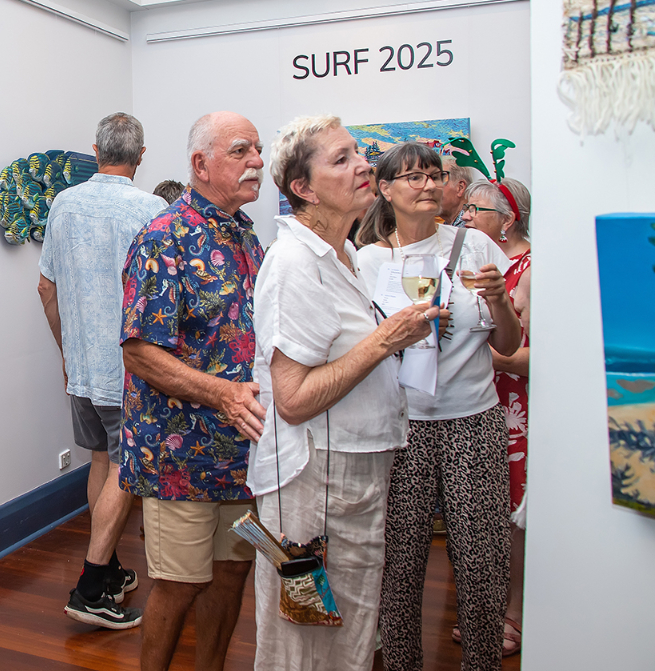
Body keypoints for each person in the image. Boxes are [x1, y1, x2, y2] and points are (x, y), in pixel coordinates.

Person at [250, 115, 436, 671]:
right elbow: (293, 399)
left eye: (358, 153)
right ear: (303, 189)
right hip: (314, 482)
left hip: (349, 473)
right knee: (304, 640)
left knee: (347, 635)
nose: (363, 165)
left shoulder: (343, 254)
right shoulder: (294, 263)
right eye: (341, 159)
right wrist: (386, 339)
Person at [356, 143, 522, 671]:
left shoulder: (475, 246)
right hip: (400, 426)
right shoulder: (367, 261)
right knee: (399, 562)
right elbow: (359, 350)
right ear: (385, 189)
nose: (428, 185)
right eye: (414, 177)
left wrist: (498, 300)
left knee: (482, 560)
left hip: (474, 420)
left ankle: (482, 662)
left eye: (434, 175)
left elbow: (508, 343)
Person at [118, 111, 267, 671]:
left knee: (232, 574)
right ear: (201, 164)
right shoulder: (164, 238)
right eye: (241, 150)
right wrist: (223, 394)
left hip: (240, 451)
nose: (257, 161)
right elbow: (139, 351)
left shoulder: (246, 235)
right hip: (180, 455)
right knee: (179, 585)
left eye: (257, 150)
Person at [38, 113, 165, 629]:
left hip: (82, 365)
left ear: (95, 151)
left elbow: (45, 287)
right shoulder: (152, 210)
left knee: (99, 459)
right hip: (129, 367)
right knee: (123, 468)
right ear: (140, 157)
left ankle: (109, 567)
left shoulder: (63, 204)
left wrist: (66, 352)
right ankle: (91, 586)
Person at [461, 177, 532, 657]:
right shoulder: (470, 263)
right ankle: (484, 610)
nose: (465, 216)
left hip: (515, 404)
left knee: (514, 516)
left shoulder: (531, 269)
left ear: (507, 221)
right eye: (464, 208)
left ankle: (516, 614)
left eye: (476, 209)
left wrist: (476, 356)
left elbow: (539, 354)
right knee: (484, 513)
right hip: (476, 399)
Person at [438, 155, 478, 226]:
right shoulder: (448, 227)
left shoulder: (472, 227)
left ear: (460, 188)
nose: (430, 187)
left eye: (438, 179)